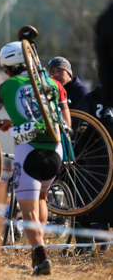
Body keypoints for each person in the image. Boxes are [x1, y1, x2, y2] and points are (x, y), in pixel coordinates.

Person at [0, 41, 71, 276]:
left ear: (7, 68)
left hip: (28, 150)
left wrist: (2, 124)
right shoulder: (53, 84)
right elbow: (67, 123)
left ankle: (40, 255)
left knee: (27, 206)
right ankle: (39, 247)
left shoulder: (5, 86)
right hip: (55, 151)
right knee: (42, 197)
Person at [74, 77, 113, 252]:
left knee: (99, 208)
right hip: (97, 163)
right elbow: (79, 125)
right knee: (98, 209)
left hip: (97, 162)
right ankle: (102, 251)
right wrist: (90, 136)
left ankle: (103, 251)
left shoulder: (89, 98)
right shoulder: (90, 99)